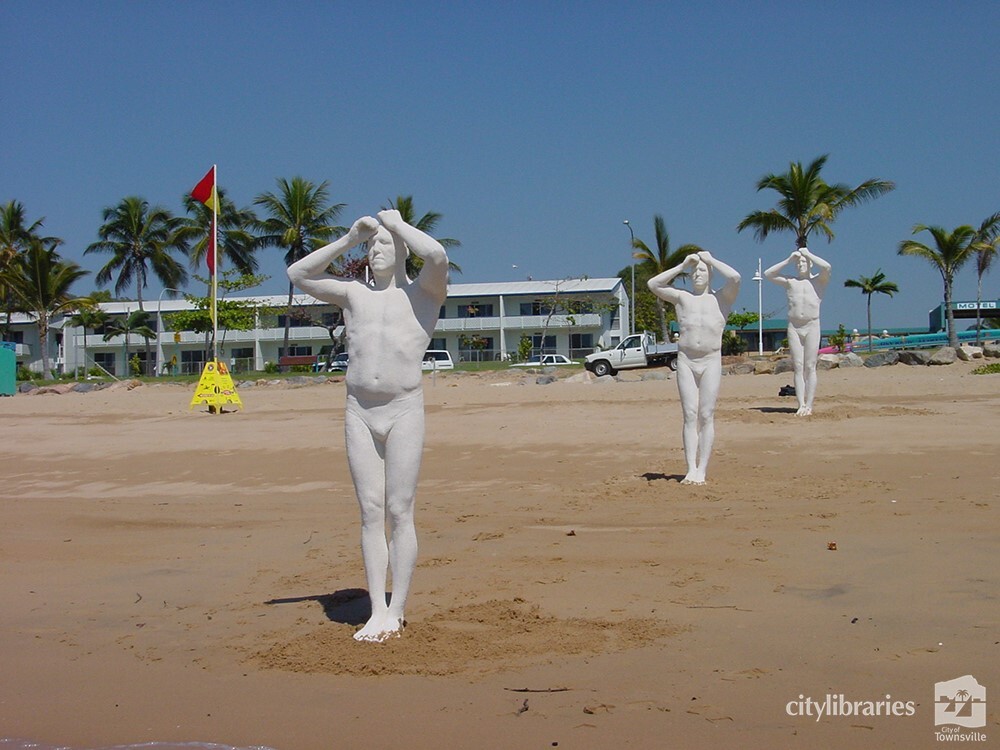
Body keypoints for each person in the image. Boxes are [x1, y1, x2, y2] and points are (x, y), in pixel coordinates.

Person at [287, 209, 449, 642]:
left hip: (403, 409)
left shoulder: (424, 294)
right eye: (371, 247)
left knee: (399, 510)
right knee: (370, 512)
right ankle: (376, 609)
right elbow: (298, 274)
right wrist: (349, 239)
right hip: (358, 411)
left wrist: (396, 226)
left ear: (401, 251)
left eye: (384, 246)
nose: (376, 252)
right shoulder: (353, 295)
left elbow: (436, 255)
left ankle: (397, 609)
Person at [648, 251, 741, 485]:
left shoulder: (722, 298)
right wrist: (682, 266)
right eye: (694, 272)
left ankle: (702, 470)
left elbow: (735, 278)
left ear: (710, 274)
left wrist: (711, 260)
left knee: (706, 414)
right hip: (686, 361)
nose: (697, 275)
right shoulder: (682, 298)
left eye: (702, 271)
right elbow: (653, 284)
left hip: (710, 360)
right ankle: (691, 468)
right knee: (690, 414)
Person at [763, 247, 831, 416]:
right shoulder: (790, 281)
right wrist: (789, 259)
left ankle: (809, 404)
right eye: (798, 263)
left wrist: (808, 254)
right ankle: (801, 404)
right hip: (794, 326)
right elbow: (768, 274)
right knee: (798, 366)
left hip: (812, 325)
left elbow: (827, 267)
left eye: (804, 262)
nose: (800, 264)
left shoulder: (818, 281)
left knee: (810, 366)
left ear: (810, 264)